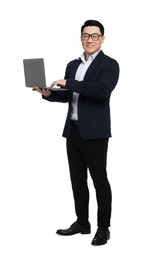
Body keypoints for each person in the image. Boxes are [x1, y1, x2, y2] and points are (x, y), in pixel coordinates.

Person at [33, 19, 119, 246]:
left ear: (102, 38)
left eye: (94, 36)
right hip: (73, 132)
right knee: (77, 181)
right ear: (80, 37)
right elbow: (70, 95)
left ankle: (103, 227)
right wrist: (48, 93)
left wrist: (70, 83)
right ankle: (82, 223)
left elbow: (101, 91)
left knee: (100, 181)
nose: (89, 40)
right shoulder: (73, 65)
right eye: (85, 35)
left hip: (96, 133)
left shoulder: (110, 65)